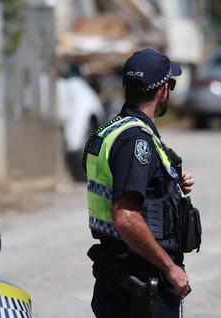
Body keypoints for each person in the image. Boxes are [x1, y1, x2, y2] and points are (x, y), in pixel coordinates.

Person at [83, 48, 196, 318]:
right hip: (140, 285)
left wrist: (169, 182)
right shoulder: (136, 141)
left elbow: (121, 182)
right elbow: (126, 217)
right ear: (163, 90)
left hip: (117, 275)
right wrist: (169, 267)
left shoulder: (114, 131)